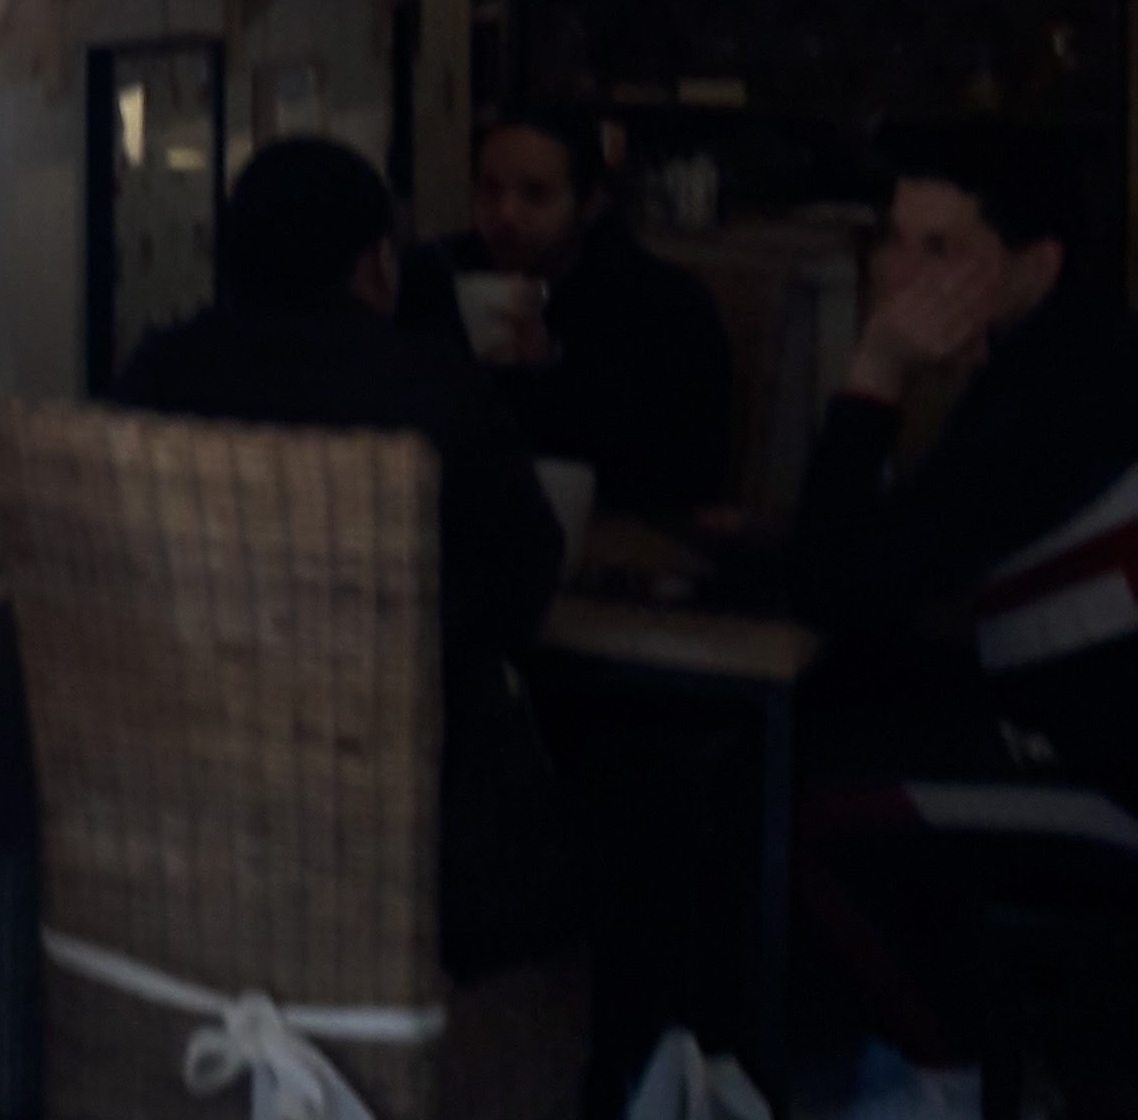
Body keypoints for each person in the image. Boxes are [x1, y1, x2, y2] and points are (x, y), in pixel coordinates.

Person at [118, 132, 583, 977]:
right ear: (376, 265)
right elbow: (526, 584)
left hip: (186, 816)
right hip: (408, 842)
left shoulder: (156, 377)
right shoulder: (432, 389)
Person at [788, 136, 1138, 804]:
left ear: (1038, 265)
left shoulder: (1061, 390)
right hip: (1052, 725)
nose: (899, 276)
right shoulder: (1061, 351)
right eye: (895, 240)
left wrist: (877, 371)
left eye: (940, 249)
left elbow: (835, 586)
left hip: (1093, 785)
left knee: (795, 777)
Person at [410, 108, 735, 516]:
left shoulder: (658, 305)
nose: (505, 214)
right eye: (489, 190)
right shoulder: (447, 271)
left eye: (535, 194)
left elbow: (664, 467)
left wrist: (541, 370)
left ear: (589, 203)